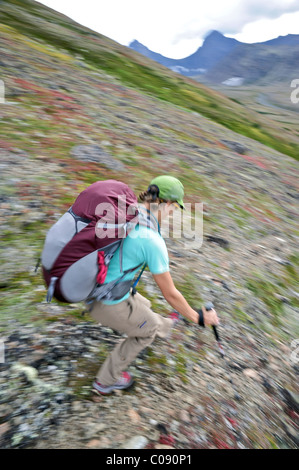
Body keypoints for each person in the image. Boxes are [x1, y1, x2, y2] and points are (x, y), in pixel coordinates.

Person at [91, 175, 219, 395]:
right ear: (168, 204)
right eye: (175, 208)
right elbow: (170, 294)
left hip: (92, 284)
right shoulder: (151, 240)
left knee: (144, 303)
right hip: (104, 300)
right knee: (147, 331)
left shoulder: (129, 211)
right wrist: (198, 318)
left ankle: (164, 323)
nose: (173, 213)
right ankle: (105, 382)